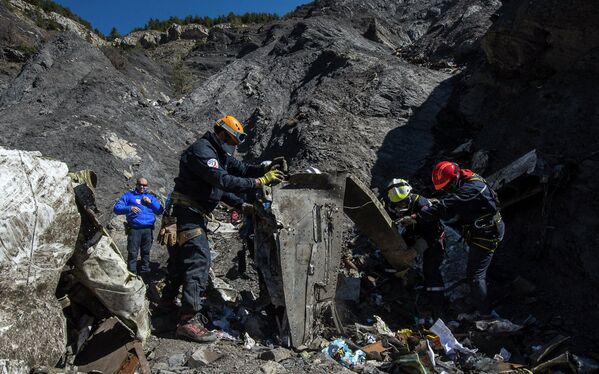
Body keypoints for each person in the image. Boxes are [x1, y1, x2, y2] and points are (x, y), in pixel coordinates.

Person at [159, 114, 285, 343]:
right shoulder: (203, 150)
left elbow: (241, 170)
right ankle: (188, 321)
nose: (233, 147)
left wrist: (264, 169)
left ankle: (165, 306)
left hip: (184, 213)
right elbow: (224, 181)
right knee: (198, 259)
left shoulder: (219, 154)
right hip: (186, 214)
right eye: (232, 141)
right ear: (222, 133)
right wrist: (260, 182)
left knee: (178, 262)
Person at [401, 161, 504, 314]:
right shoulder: (468, 177)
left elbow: (446, 206)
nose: (447, 190)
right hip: (481, 229)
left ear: (454, 179)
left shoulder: (470, 189)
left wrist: (417, 217)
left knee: (475, 276)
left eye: (448, 187)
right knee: (479, 267)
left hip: (487, 235)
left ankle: (486, 314)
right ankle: (487, 290)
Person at [385, 179, 445, 315]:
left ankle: (437, 306)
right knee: (394, 257)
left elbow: (432, 233)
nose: (401, 206)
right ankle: (397, 288)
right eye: (398, 204)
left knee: (431, 269)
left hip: (432, 236)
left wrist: (416, 250)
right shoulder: (390, 205)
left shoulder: (423, 205)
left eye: (404, 202)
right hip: (411, 232)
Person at [113, 177, 164, 276]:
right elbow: (116, 208)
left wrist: (151, 202)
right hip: (134, 229)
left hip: (148, 229)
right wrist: (129, 208)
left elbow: (160, 210)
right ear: (136, 185)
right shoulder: (128, 195)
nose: (142, 187)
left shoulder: (150, 197)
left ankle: (145, 272)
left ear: (147, 186)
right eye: (140, 184)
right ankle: (131, 272)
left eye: (144, 185)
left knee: (146, 251)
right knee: (132, 252)